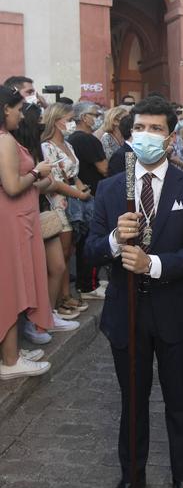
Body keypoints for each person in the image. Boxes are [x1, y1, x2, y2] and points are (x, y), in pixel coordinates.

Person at [85, 96, 183, 488]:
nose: (145, 136)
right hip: (127, 314)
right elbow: (89, 251)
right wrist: (113, 243)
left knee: (178, 400)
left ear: (171, 137)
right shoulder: (109, 189)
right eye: (139, 128)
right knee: (132, 400)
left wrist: (154, 264)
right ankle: (130, 478)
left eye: (155, 129)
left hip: (175, 313)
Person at [0, 87, 55, 379]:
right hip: (10, 221)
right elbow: (11, 185)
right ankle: (10, 362)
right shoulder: (4, 140)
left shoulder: (7, 139)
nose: (21, 116)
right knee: (12, 287)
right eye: (18, 109)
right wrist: (38, 172)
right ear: (4, 108)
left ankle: (12, 353)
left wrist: (37, 180)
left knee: (13, 283)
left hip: (15, 217)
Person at [15, 103, 79, 333]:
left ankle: (47, 317)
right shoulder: (20, 146)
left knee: (58, 266)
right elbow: (18, 185)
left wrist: (42, 179)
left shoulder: (31, 147)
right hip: (34, 211)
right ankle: (35, 323)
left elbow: (48, 181)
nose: (43, 121)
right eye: (38, 117)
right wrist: (38, 176)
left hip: (40, 212)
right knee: (33, 272)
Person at [41, 103, 93, 315]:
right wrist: (78, 193)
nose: (72, 123)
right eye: (69, 119)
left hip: (74, 202)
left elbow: (73, 174)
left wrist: (83, 189)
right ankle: (58, 300)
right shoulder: (46, 146)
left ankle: (66, 295)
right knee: (61, 253)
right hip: (58, 202)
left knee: (69, 250)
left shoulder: (69, 145)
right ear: (56, 120)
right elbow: (53, 180)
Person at [68, 102, 108, 297]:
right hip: (92, 196)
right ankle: (89, 284)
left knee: (84, 242)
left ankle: (88, 282)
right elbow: (104, 168)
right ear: (84, 117)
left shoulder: (72, 139)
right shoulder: (87, 140)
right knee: (92, 241)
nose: (98, 116)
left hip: (84, 196)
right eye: (94, 113)